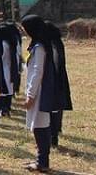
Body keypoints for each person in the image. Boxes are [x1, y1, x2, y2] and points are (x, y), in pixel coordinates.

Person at [21, 15, 56, 172]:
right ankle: (40, 159)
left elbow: (37, 72)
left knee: (41, 126)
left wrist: (30, 95)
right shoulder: (37, 46)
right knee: (39, 126)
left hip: (39, 92)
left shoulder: (39, 48)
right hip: (37, 90)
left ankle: (43, 162)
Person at [45, 21, 72, 148]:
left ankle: (53, 136)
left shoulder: (53, 45)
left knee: (54, 109)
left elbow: (56, 64)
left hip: (55, 79)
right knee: (57, 108)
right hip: (58, 78)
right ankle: (55, 132)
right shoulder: (56, 43)